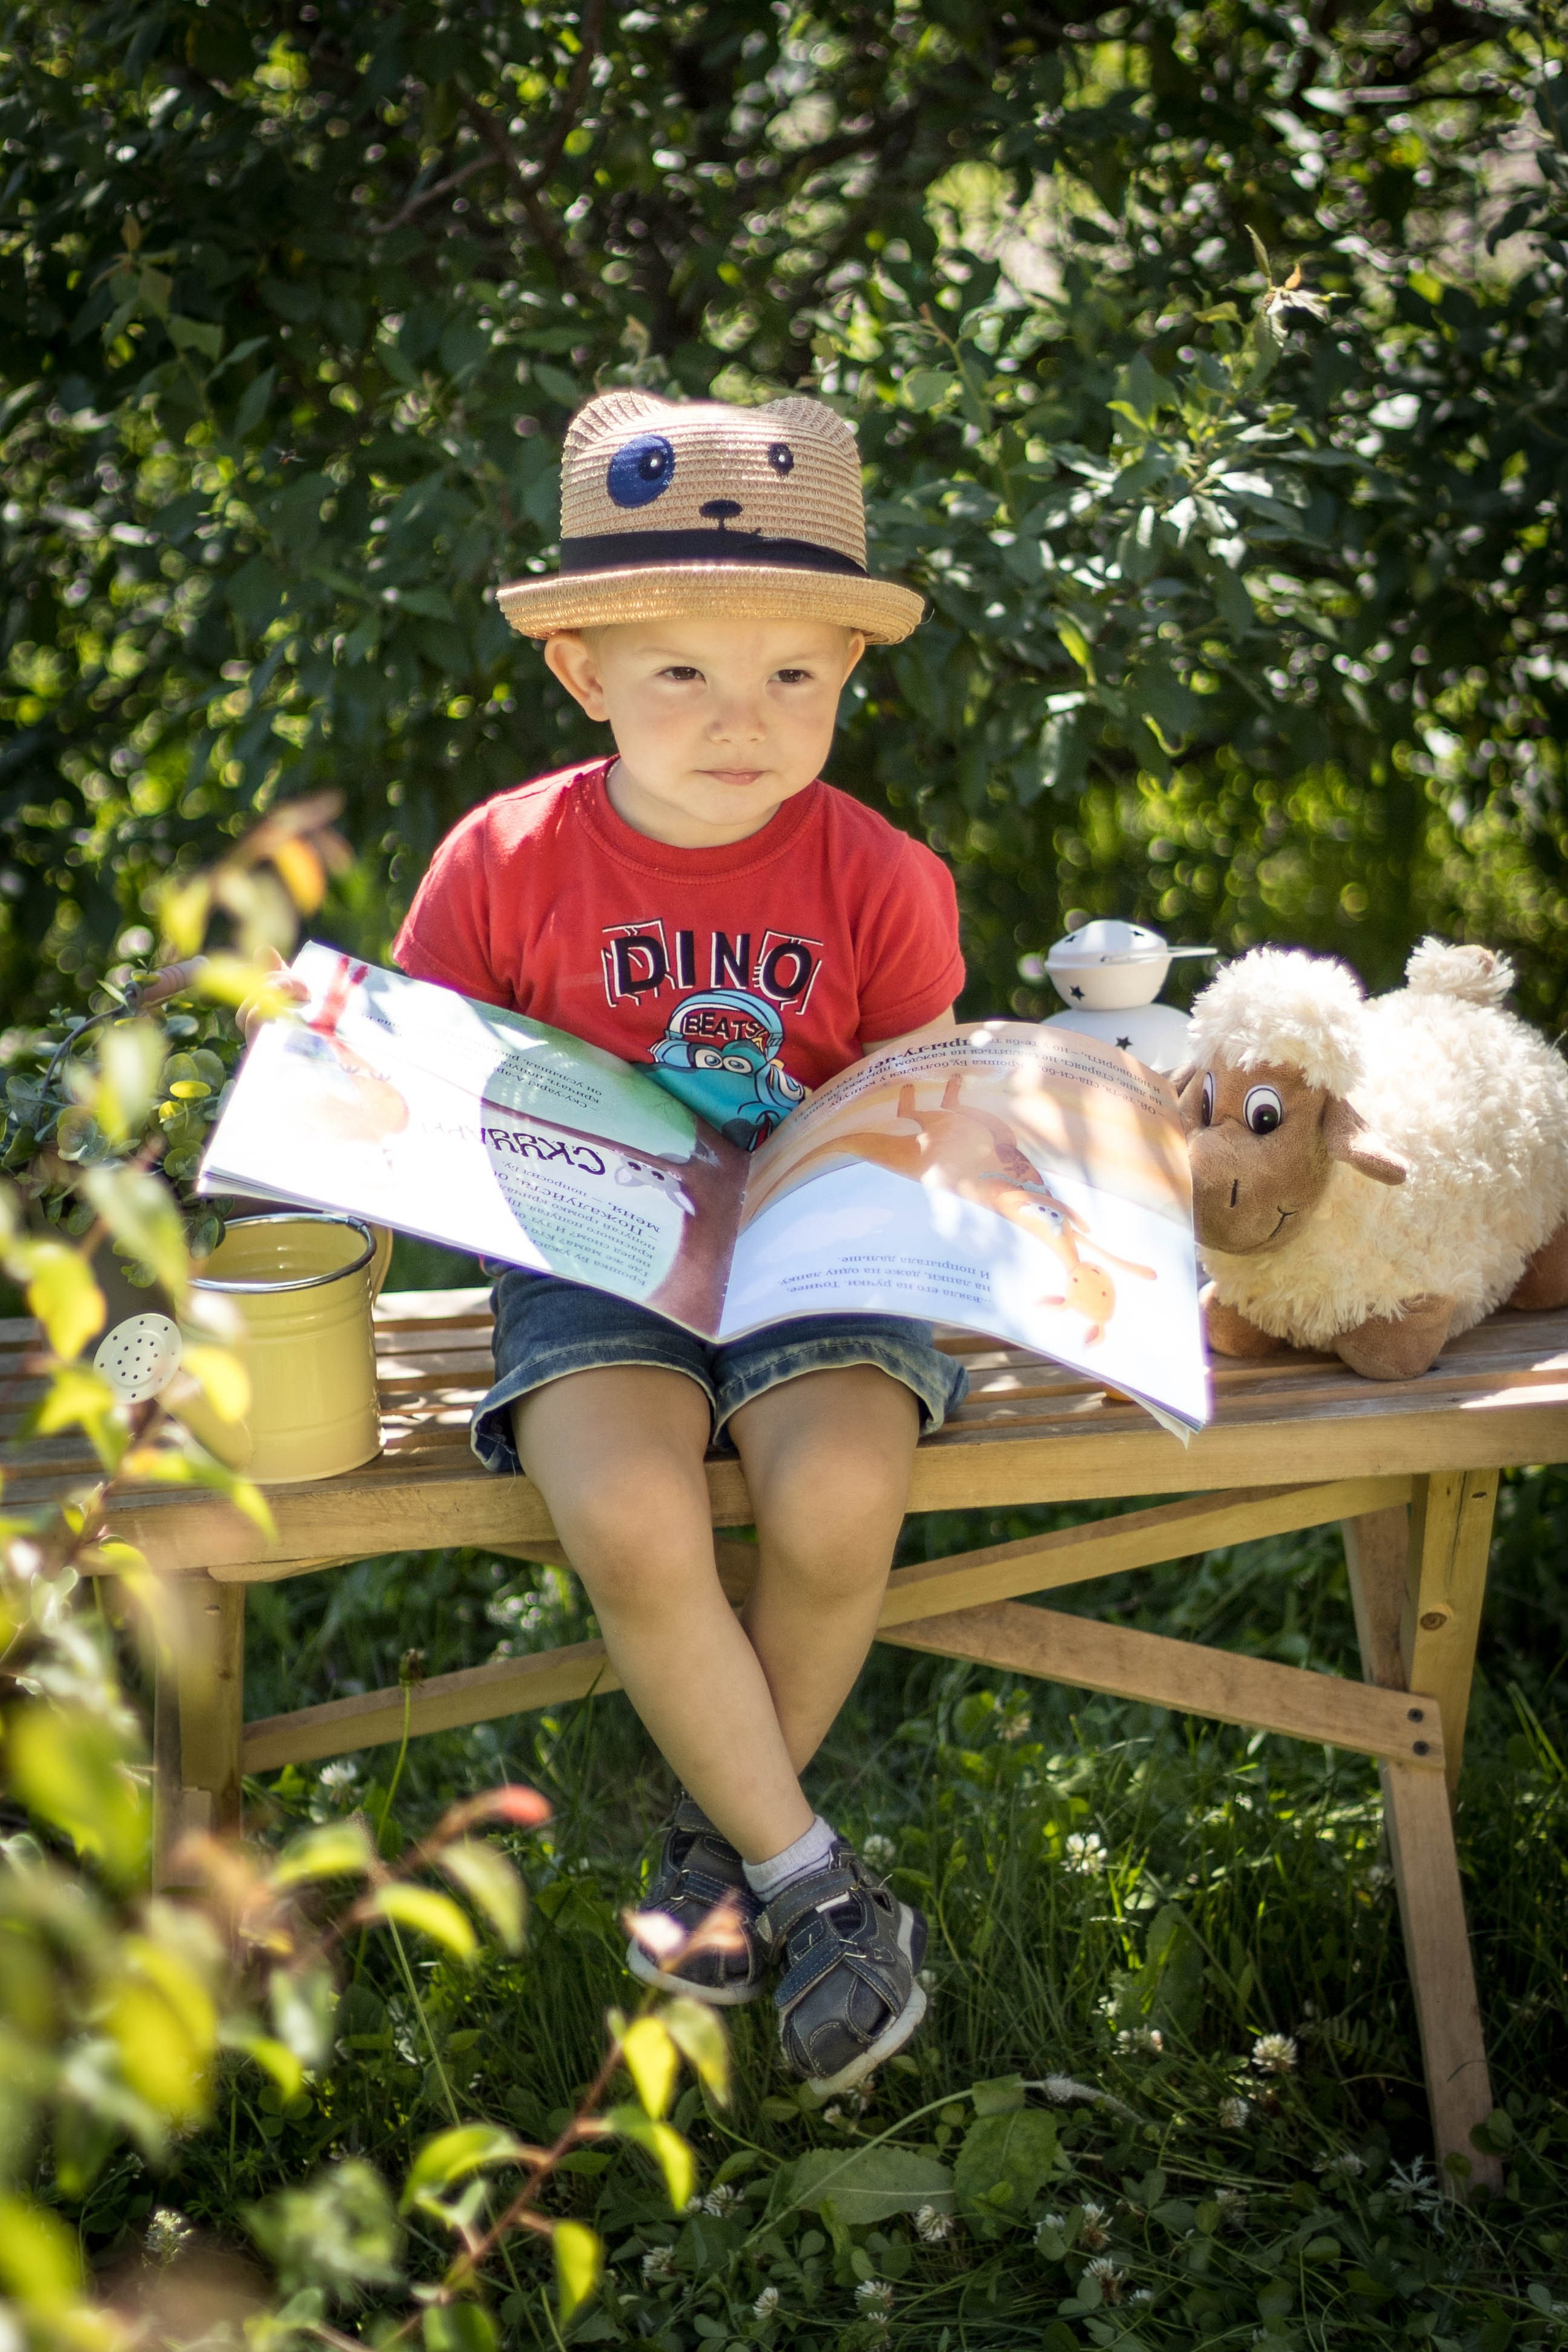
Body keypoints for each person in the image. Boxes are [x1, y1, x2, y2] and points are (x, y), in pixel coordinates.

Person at [404, 390, 968, 2096]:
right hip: (593, 1255)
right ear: (581, 669)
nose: (743, 721)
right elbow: (423, 1086)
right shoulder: (503, 860)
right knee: (635, 1511)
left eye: (792, 673)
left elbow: (919, 1107)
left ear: (849, 668)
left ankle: (716, 1860)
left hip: (815, 1254)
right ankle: (818, 1888)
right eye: (682, 675)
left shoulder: (881, 876)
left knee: (840, 1493)